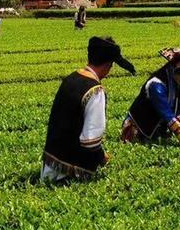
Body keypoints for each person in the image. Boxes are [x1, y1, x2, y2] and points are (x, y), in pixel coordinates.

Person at [41, 36, 136, 183]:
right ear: (108, 65)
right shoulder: (95, 90)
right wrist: (103, 158)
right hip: (70, 172)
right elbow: (90, 141)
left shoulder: (71, 78)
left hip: (50, 163)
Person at [120, 47, 180, 153]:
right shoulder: (155, 85)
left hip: (160, 127)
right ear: (171, 69)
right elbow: (167, 114)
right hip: (140, 129)